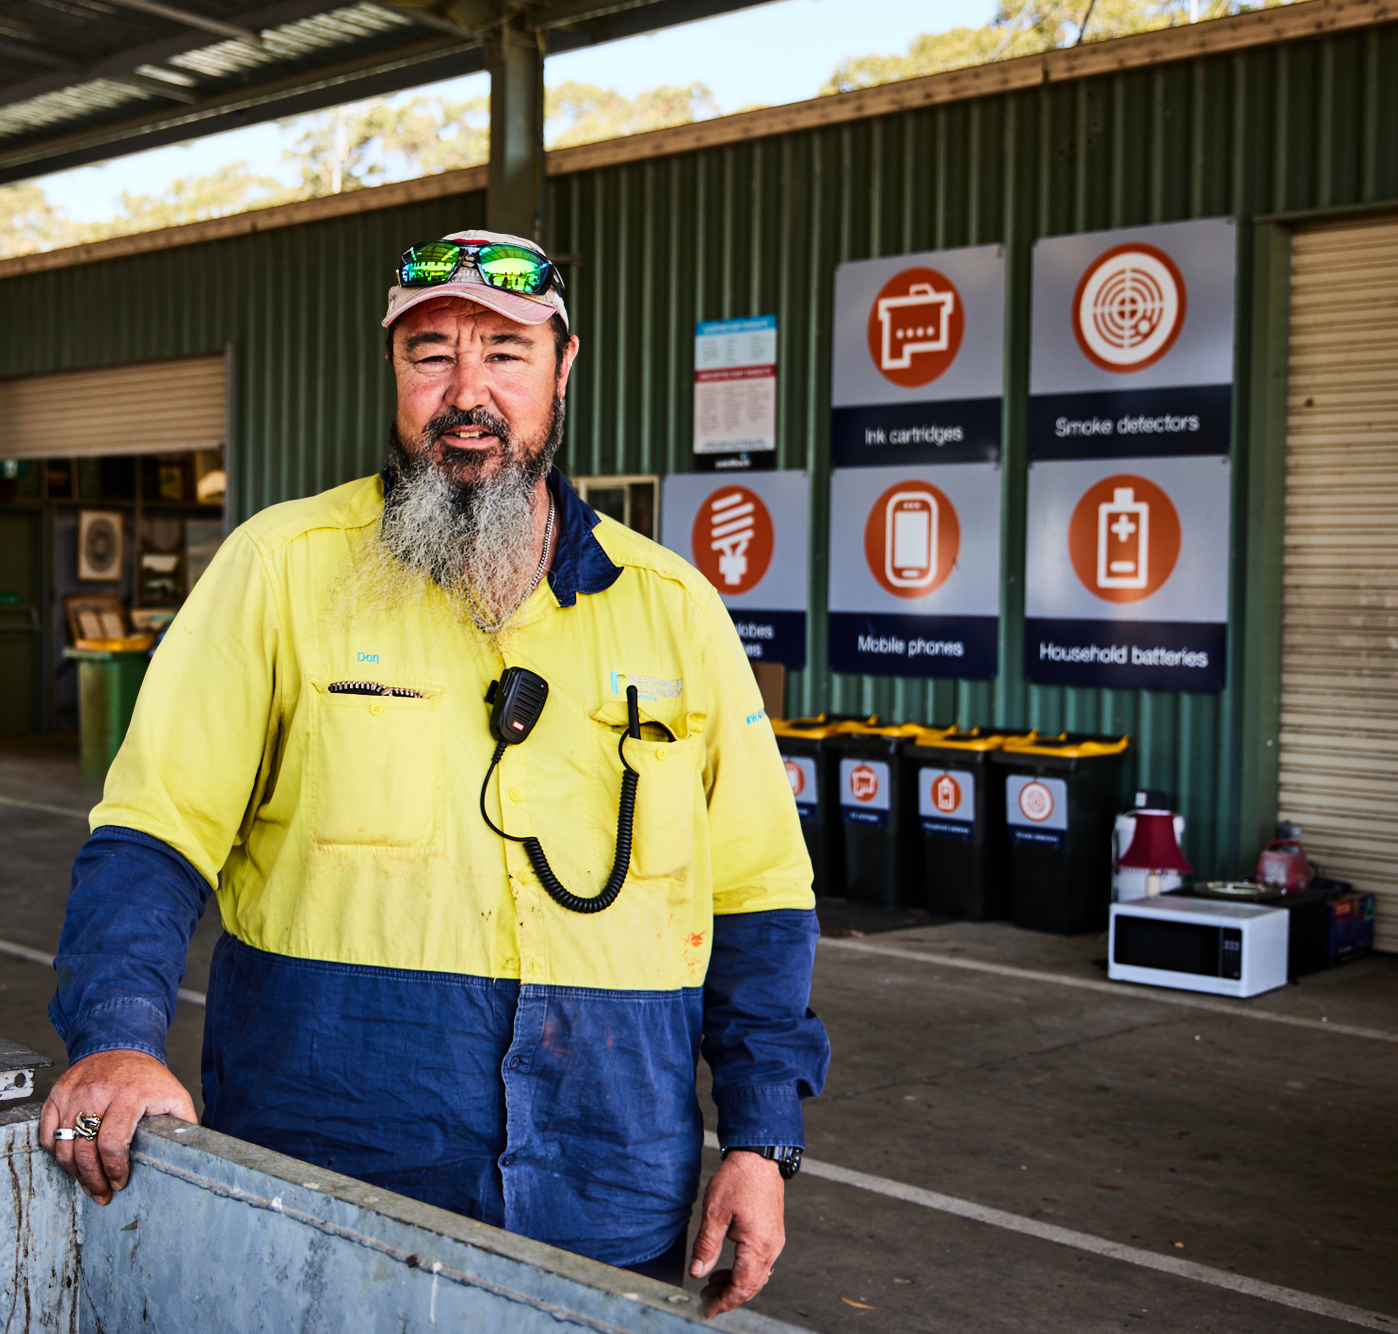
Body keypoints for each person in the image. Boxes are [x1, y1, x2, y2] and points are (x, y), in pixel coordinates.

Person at [41, 229, 829, 1315]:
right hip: (333, 1169)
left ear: (564, 367)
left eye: (504, 351)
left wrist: (758, 1138)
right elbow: (152, 832)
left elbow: (758, 897)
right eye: (430, 355)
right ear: (394, 376)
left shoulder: (673, 606)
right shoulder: (281, 570)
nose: (467, 392)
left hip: (608, 1180)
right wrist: (119, 1036)